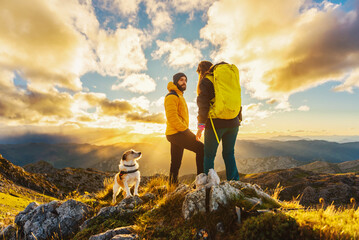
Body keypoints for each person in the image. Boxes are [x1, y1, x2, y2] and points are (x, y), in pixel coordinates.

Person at [196, 61, 242, 181]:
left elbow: (203, 105)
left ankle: (208, 184)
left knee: (209, 156)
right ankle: (234, 182)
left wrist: (200, 126)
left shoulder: (206, 81)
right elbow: (236, 98)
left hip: (215, 123)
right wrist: (238, 118)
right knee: (229, 153)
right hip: (233, 123)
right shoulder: (225, 80)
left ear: (200, 72)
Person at [164, 72, 204, 184]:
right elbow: (172, 117)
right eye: (181, 80)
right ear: (176, 81)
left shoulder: (179, 95)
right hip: (177, 133)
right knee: (201, 149)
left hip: (176, 133)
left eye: (185, 80)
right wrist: (186, 131)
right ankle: (200, 181)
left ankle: (172, 185)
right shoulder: (172, 96)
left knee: (176, 162)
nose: (184, 82)